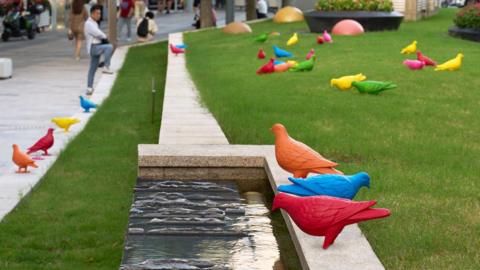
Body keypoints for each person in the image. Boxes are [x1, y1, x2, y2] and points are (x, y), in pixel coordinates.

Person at [84, 4, 114, 95]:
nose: (99, 15)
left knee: (92, 69)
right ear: (92, 13)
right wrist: (105, 36)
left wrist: (104, 37)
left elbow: (98, 34)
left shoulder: (94, 23)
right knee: (109, 47)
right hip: (94, 48)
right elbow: (98, 33)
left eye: (100, 14)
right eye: (97, 13)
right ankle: (106, 66)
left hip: (96, 46)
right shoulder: (88, 23)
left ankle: (89, 88)